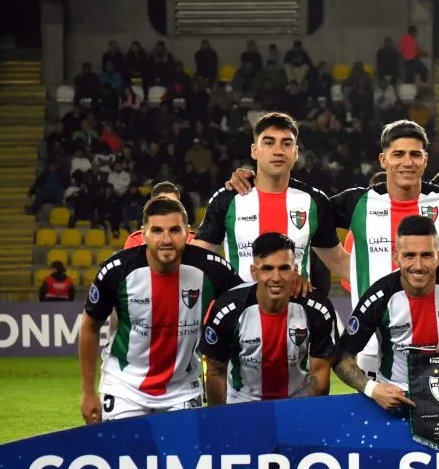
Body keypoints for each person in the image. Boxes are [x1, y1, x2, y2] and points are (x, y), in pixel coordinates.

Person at [79, 198, 242, 423]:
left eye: (174, 230)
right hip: (124, 387)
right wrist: (88, 392)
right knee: (124, 457)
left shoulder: (212, 269)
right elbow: (90, 326)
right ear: (144, 233)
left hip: (183, 390)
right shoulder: (117, 271)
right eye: (157, 230)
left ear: (187, 232)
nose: (166, 240)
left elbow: (248, 302)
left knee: (183, 458)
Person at [333, 216, 439, 409]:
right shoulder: (379, 296)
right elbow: (341, 357)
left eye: (426, 255)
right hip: (398, 400)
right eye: (409, 255)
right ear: (396, 257)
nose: (418, 266)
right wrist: (372, 389)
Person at [193, 111, 348, 284]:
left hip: (297, 309)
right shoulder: (228, 199)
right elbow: (196, 261)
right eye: (269, 143)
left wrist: (383, 287)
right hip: (240, 308)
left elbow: (339, 261)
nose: (278, 151)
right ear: (254, 150)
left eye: (286, 143)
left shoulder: (315, 202)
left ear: (295, 153)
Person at [199, 233, 339, 404]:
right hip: (241, 404)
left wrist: (308, 417)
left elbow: (320, 374)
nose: (276, 278)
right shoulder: (228, 309)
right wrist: (218, 420)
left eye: (284, 268)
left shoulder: (317, 309)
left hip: (296, 403)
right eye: (267, 269)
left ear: (295, 271)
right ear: (254, 272)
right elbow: (215, 371)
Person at [125, 182, 196, 248]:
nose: (168, 208)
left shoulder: (194, 241)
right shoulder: (135, 241)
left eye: (173, 203)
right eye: (162, 203)